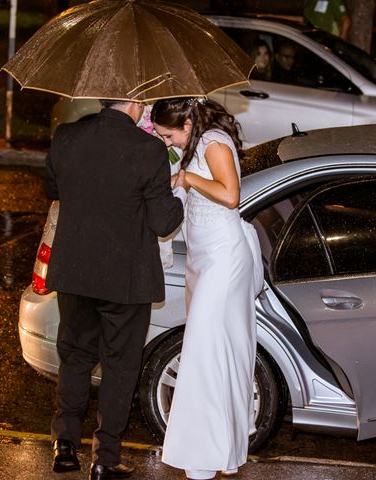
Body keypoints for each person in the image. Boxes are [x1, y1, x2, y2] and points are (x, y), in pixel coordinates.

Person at [45, 99, 186, 480]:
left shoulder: (67, 136)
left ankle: (64, 446)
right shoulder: (148, 149)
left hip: (75, 270)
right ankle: (105, 457)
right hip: (125, 279)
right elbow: (162, 221)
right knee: (119, 367)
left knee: (74, 356)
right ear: (136, 102)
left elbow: (53, 188)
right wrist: (178, 197)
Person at [151, 97, 264, 480]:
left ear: (186, 124)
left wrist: (187, 179)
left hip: (224, 260)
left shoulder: (213, 141)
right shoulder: (193, 145)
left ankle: (202, 453)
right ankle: (220, 450)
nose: (169, 143)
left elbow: (231, 196)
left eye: (169, 135)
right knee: (213, 353)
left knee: (205, 352)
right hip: (203, 259)